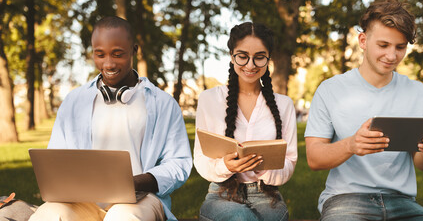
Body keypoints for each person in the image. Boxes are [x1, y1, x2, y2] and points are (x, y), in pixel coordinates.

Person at [29, 16, 192, 221]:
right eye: (100, 54)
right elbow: (55, 158)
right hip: (82, 202)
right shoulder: (73, 101)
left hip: (139, 200)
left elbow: (179, 163)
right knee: (48, 215)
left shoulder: (163, 103)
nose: (108, 63)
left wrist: (138, 182)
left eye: (117, 54)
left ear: (134, 49)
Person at [305, 0, 423, 220]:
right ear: (363, 40)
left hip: (401, 201)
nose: (392, 56)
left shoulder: (418, 93)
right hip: (346, 199)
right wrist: (351, 144)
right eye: (383, 45)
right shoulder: (330, 90)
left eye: (400, 47)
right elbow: (314, 159)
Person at [193, 22, 298, 221]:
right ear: (231, 56)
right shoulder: (209, 99)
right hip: (221, 193)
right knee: (241, 217)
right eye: (242, 56)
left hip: (267, 195)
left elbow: (290, 162)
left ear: (268, 59)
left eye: (259, 58)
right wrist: (226, 166)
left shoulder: (284, 105)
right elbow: (200, 158)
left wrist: (263, 167)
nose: (250, 65)